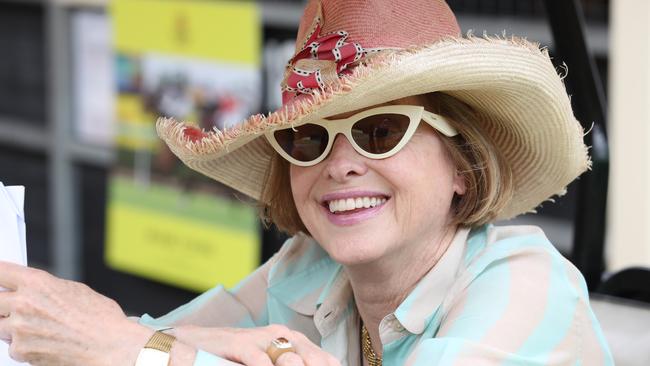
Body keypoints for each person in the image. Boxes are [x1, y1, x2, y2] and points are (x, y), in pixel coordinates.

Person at [0, 0, 614, 365]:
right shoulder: (307, 267)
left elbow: (133, 347)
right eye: (308, 138)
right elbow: (131, 338)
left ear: (461, 164)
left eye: (379, 131)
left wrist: (142, 350)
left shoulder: (530, 283)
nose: (337, 164)